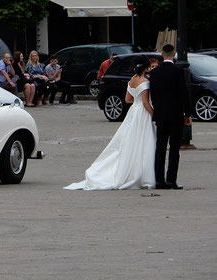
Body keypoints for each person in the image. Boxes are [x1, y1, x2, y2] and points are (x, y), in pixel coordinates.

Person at [65, 56, 156, 190]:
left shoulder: (132, 80)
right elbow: (145, 103)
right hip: (142, 113)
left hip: (133, 112)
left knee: (131, 141)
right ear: (146, 67)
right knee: (145, 141)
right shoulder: (144, 82)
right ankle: (144, 173)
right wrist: (154, 114)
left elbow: (127, 99)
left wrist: (136, 103)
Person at [149, 44, 191, 190]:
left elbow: (153, 95)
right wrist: (187, 113)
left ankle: (159, 181)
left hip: (160, 115)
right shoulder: (178, 71)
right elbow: (183, 93)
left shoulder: (154, 73)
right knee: (174, 149)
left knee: (160, 148)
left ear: (161, 54)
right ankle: (171, 180)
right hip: (176, 115)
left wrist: (157, 108)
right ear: (174, 54)